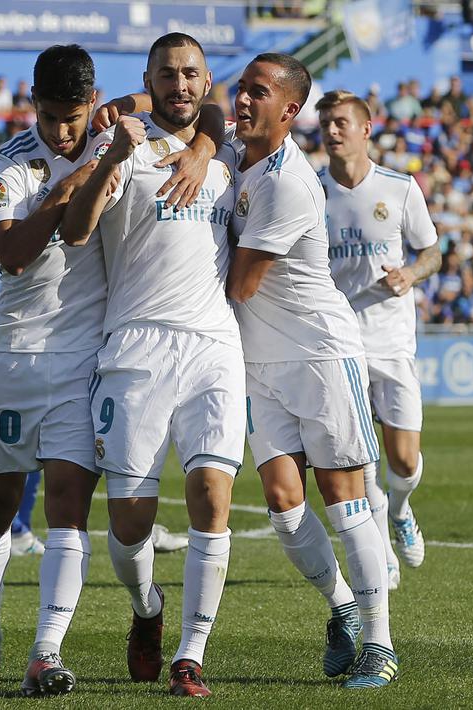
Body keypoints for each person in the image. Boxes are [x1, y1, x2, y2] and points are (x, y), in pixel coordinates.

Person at [0, 43, 215, 697]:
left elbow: (194, 102)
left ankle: (45, 653)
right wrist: (71, 184)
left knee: (68, 510)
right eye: (52, 118)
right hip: (13, 356)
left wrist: (196, 145)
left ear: (92, 102)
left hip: (84, 362)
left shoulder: (112, 130)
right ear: (33, 105)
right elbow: (13, 255)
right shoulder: (9, 164)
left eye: (74, 118)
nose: (64, 131)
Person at [61, 32, 241, 699]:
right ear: (148, 81)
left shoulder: (226, 158)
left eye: (191, 73)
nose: (180, 84)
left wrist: (202, 146)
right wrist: (113, 151)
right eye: (167, 75)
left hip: (212, 347)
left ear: (204, 80)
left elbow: (219, 116)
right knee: (130, 522)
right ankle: (146, 611)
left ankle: (191, 655)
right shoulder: (125, 147)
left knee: (210, 498)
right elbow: (77, 231)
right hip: (135, 346)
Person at [226, 54, 397, 689]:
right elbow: (177, 112)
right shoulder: (231, 153)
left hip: (321, 355)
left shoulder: (288, 182)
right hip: (257, 361)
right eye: (241, 89)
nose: (243, 101)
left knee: (345, 501)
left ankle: (380, 642)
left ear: (290, 110)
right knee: (281, 501)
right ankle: (342, 607)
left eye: (259, 94)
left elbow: (240, 283)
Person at [317, 90, 442, 592]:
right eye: (326, 123)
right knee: (360, 456)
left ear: (366, 129)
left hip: (392, 341)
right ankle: (381, 549)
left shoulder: (400, 187)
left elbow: (432, 252)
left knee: (404, 461)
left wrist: (411, 273)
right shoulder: (310, 190)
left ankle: (402, 508)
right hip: (339, 341)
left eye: (342, 122)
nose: (332, 131)